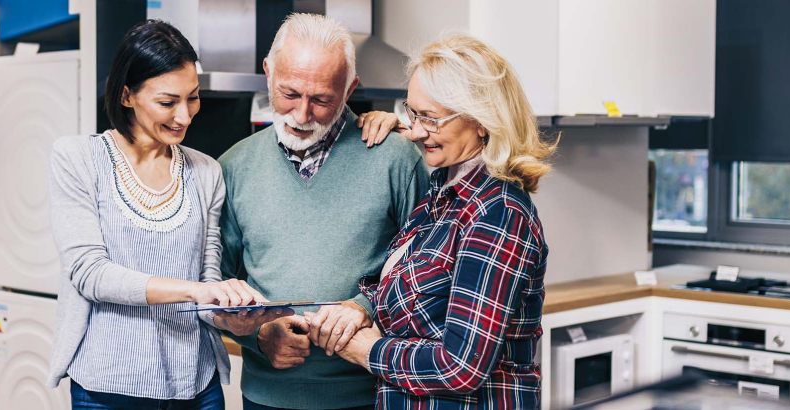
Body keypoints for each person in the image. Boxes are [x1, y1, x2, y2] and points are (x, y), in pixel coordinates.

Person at [44, 20, 282, 410]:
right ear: (126, 96)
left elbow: (208, 279)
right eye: (167, 102)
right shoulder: (77, 159)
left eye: (193, 98)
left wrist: (231, 316)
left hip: (196, 385)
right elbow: (90, 273)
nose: (185, 116)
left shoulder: (206, 172)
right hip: (108, 387)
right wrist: (195, 291)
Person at [216, 13, 431, 410]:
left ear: (350, 89)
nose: (301, 115)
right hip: (266, 399)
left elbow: (429, 269)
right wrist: (260, 337)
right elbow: (216, 285)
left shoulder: (396, 159)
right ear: (268, 71)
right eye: (289, 93)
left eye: (321, 100)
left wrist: (364, 308)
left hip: (370, 396)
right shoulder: (232, 166)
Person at [330, 34, 555, 409]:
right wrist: (357, 307)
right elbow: (413, 284)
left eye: (430, 119)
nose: (417, 132)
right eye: (413, 113)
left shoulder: (497, 212)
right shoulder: (441, 193)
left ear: (482, 120)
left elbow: (461, 367)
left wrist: (370, 351)